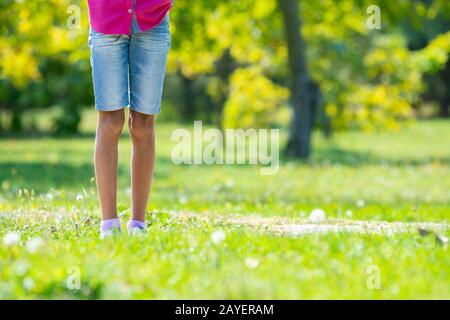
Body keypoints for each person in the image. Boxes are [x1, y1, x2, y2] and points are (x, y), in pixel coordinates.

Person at [87, 0, 174, 237]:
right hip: (106, 18)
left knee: (143, 125)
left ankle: (138, 224)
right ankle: (109, 224)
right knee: (111, 121)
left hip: (152, 18)